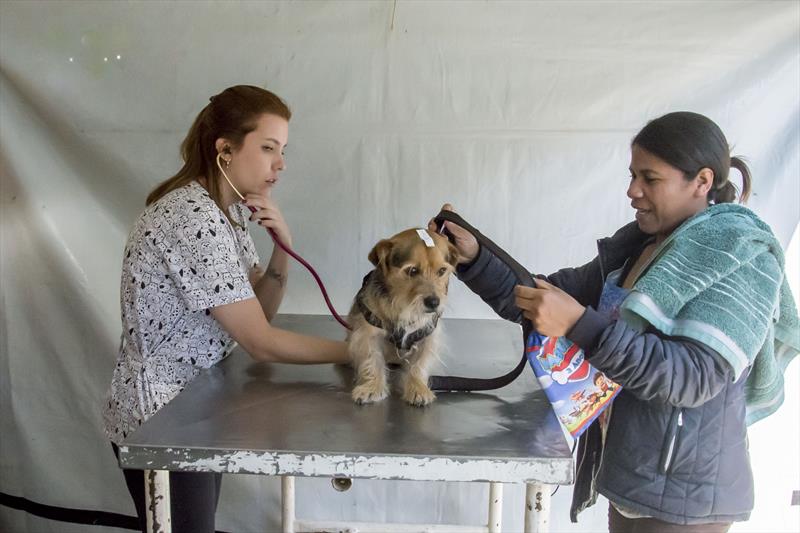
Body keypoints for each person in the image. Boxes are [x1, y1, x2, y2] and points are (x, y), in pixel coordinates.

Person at [431, 111, 798, 532]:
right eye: (632, 175)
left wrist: (579, 325)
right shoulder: (638, 248)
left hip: (683, 504)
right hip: (632, 477)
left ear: (701, 181)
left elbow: (693, 379)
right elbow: (541, 300)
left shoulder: (740, 258)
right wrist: (473, 257)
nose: (632, 191)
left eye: (650, 178)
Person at [102, 85, 349, 533]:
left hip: (193, 409)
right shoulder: (191, 216)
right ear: (225, 150)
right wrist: (357, 353)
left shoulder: (226, 212)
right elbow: (260, 341)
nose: (281, 163)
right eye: (268, 147)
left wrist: (282, 250)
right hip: (159, 420)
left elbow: (257, 313)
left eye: (283, 150)